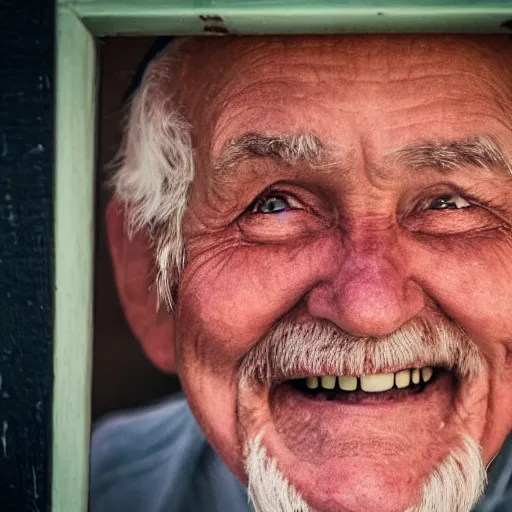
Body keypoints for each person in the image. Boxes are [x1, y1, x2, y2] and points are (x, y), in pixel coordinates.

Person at [89, 35, 512, 512]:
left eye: (448, 203)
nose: (368, 308)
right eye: (274, 205)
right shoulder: (86, 490)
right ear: (149, 280)